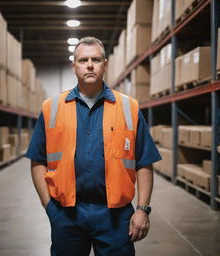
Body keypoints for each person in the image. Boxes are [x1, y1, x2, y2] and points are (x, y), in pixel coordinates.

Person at [26, 36, 161, 256]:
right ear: (74, 66)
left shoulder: (128, 107)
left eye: (96, 59)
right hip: (67, 214)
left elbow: (144, 162)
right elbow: (37, 160)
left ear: (105, 64)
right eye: (83, 60)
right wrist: (49, 207)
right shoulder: (52, 108)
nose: (89, 65)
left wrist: (143, 209)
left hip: (115, 217)